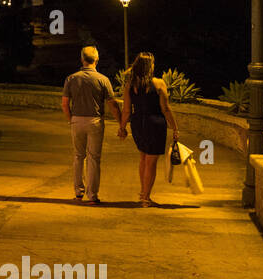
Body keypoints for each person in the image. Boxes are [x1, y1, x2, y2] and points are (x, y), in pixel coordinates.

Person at [61, 45, 123, 205]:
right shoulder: (103, 80)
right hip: (95, 121)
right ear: (97, 59)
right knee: (94, 158)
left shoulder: (71, 78)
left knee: (78, 157)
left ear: (82, 59)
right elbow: (112, 104)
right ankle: (92, 196)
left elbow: (65, 103)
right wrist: (121, 124)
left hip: (77, 120)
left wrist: (71, 119)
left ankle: (78, 192)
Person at [117, 52, 180, 206]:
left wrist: (122, 127)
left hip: (138, 123)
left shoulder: (130, 85)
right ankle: (146, 197)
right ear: (149, 67)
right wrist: (175, 127)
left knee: (144, 158)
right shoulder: (158, 83)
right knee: (151, 162)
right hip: (155, 123)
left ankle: (143, 192)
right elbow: (165, 108)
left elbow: (126, 110)